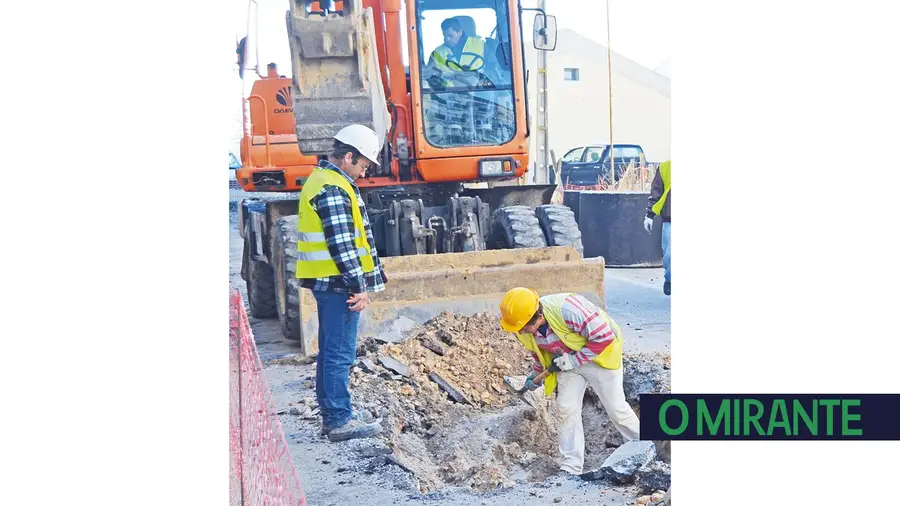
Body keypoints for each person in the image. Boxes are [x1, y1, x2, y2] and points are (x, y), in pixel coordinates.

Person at [295, 124, 387, 442]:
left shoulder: (326, 181)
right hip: (339, 284)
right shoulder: (333, 187)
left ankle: (335, 414)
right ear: (348, 156)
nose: (363, 172)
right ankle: (338, 420)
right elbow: (343, 244)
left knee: (331, 351)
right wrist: (358, 286)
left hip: (331, 282)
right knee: (339, 353)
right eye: (362, 165)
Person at [499, 288, 641, 476]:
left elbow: (604, 336)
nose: (521, 331)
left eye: (524, 327)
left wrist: (574, 361)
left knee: (616, 408)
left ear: (539, 316)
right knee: (565, 408)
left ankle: (644, 447)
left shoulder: (569, 310)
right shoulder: (520, 327)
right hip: (567, 360)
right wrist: (535, 374)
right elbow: (539, 352)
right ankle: (571, 467)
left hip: (600, 355)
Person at [424, 17, 486, 88]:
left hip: (479, 93)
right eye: (444, 35)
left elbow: (493, 72)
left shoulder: (481, 45)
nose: (447, 39)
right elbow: (430, 76)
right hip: (448, 95)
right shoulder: (437, 53)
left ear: (460, 32)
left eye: (450, 36)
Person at [644, 160, 671, 296]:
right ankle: (670, 279)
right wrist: (649, 215)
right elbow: (656, 192)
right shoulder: (666, 167)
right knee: (670, 256)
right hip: (670, 220)